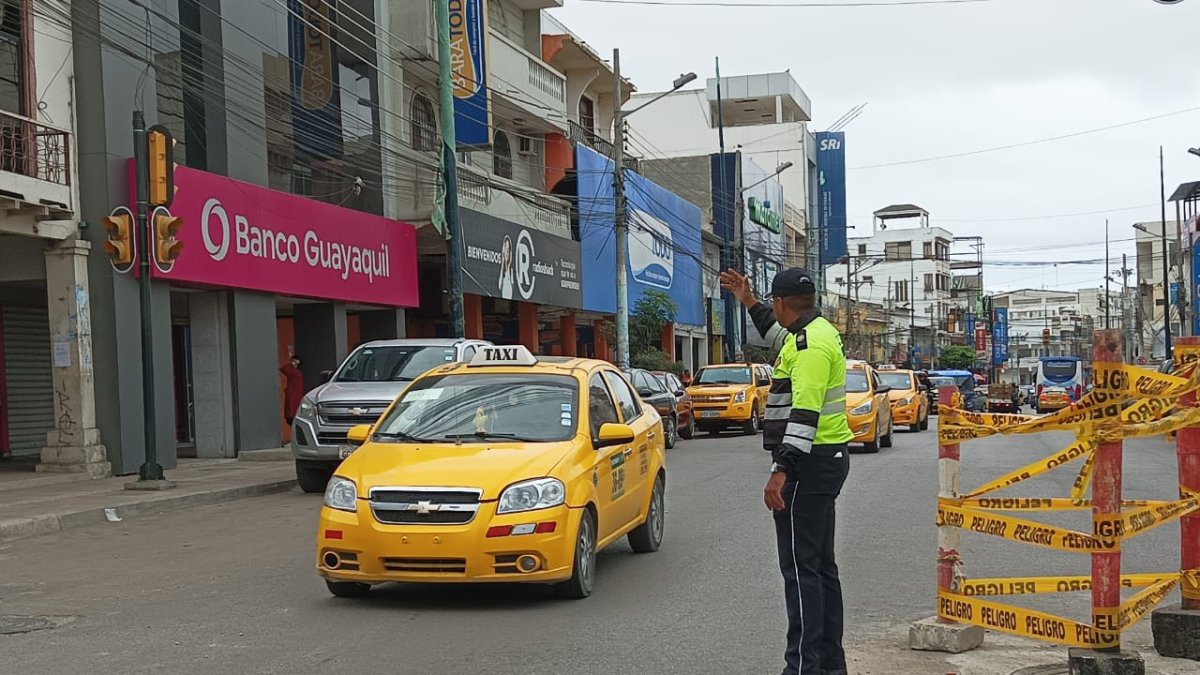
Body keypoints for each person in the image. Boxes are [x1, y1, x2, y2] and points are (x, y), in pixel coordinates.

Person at [721, 267, 853, 675]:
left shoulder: (810, 345)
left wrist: (782, 468)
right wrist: (748, 301)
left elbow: (805, 412)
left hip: (809, 464)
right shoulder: (812, 333)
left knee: (800, 570)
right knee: (819, 568)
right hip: (825, 459)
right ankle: (830, 665)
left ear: (782, 304)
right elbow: (775, 334)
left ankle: (802, 667)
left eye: (770, 304)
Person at [280, 355, 305, 426]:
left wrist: (291, 364)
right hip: (296, 397)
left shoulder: (295, 373)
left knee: (291, 416)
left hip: (292, 398)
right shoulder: (298, 373)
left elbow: (283, 369)